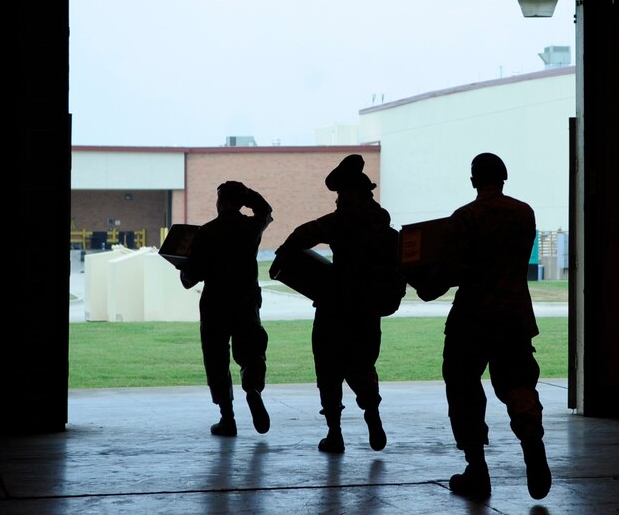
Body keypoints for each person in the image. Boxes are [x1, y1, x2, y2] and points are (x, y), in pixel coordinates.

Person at [417, 152, 551, 500]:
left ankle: (477, 469)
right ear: (504, 177)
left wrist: (421, 282)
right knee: (517, 383)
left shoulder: (465, 217)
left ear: (474, 180)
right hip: (515, 316)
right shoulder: (524, 213)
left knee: (463, 387)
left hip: (472, 318)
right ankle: (531, 434)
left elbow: (448, 272)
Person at [274, 154, 391, 453]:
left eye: (341, 193)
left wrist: (285, 251)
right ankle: (373, 416)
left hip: (335, 309)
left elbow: (304, 233)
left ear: (350, 193)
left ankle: (335, 433)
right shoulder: (383, 226)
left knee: (328, 370)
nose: (337, 200)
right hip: (368, 311)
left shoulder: (343, 221)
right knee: (363, 366)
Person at [179, 180, 273, 437]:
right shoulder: (251, 228)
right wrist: (249, 196)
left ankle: (227, 418)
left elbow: (191, 277)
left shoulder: (206, 232)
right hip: (246, 301)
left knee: (216, 359)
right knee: (251, 351)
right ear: (241, 202)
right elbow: (266, 212)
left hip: (215, 304)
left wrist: (182, 268)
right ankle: (253, 390)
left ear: (219, 202)